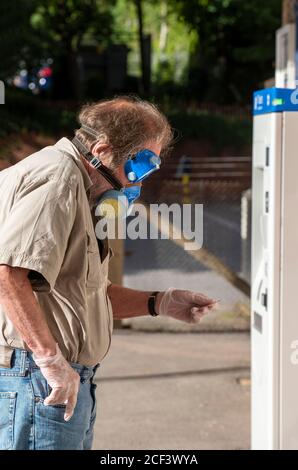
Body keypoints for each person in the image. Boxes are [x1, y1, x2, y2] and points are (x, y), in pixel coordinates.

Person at [0, 96, 218, 450]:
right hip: (39, 379)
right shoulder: (58, 180)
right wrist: (50, 361)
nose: (139, 182)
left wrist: (160, 303)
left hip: (57, 378)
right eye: (139, 166)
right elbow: (9, 274)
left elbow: (82, 295)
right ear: (101, 150)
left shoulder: (78, 189)